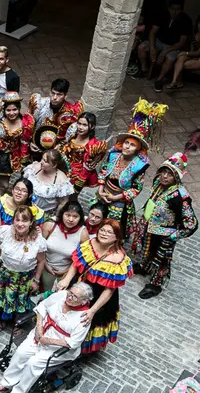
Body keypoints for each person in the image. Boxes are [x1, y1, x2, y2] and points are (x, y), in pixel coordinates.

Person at [0, 284, 94, 393]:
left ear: (84, 301)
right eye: (70, 292)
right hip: (39, 333)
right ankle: (5, 382)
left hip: (57, 346)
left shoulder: (84, 318)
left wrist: (47, 341)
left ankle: (18, 391)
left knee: (33, 363)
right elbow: (42, 306)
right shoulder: (61, 295)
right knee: (21, 353)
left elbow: (74, 342)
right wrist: (39, 327)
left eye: (74, 296)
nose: (69, 297)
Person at [56, 219, 133, 354]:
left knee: (86, 322)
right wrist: (67, 280)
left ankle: (76, 350)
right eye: (102, 230)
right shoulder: (90, 244)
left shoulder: (118, 259)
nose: (104, 233)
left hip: (97, 296)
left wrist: (92, 310)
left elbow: (109, 290)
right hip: (78, 286)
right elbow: (77, 263)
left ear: (117, 237)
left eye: (109, 232)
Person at [130, 152, 197, 299]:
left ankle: (156, 284)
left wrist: (173, 236)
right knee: (147, 249)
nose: (165, 176)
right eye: (163, 171)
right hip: (149, 227)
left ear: (177, 177)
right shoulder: (157, 182)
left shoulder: (181, 197)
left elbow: (191, 224)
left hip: (165, 235)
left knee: (161, 259)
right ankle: (144, 267)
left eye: (170, 174)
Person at [96, 99, 164, 231]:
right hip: (103, 193)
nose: (127, 147)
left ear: (137, 149)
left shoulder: (139, 166)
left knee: (113, 227)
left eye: (132, 145)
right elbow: (103, 171)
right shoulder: (113, 156)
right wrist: (100, 190)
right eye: (126, 143)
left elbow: (136, 188)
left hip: (119, 200)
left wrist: (116, 197)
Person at [0, 206, 47, 329]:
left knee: (20, 301)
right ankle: (2, 320)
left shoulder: (38, 241)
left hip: (24, 278)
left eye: (24, 220)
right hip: (5, 274)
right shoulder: (6, 232)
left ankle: (17, 324)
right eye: (17, 220)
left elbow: (41, 261)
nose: (20, 224)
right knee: (4, 297)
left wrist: (36, 280)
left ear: (31, 222)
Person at [133, 0, 193, 92]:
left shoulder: (186, 20)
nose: (174, 12)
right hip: (159, 41)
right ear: (169, 8)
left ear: (181, 10)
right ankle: (144, 70)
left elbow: (181, 42)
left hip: (173, 45)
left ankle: (159, 80)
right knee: (141, 47)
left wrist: (164, 52)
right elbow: (153, 32)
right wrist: (152, 48)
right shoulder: (162, 15)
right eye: (172, 9)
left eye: (177, 10)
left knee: (170, 59)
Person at [0, 92, 34, 192]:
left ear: (19, 109)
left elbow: (24, 142)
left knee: (15, 185)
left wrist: (23, 161)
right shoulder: (0, 119)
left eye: (14, 110)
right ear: (4, 110)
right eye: (8, 110)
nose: (11, 113)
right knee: (1, 185)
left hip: (16, 156)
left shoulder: (25, 122)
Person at [40, 201, 89, 292]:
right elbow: (39, 248)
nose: (71, 219)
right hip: (44, 268)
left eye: (75, 216)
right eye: (68, 215)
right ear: (62, 214)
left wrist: (66, 271)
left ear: (80, 218)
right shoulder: (50, 225)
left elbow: (81, 258)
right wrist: (46, 265)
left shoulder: (83, 233)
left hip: (66, 274)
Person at [28, 79, 83, 156]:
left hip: (56, 153)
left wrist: (62, 146)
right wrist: (29, 142)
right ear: (49, 92)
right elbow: (28, 124)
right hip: (35, 147)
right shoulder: (39, 104)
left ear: (65, 96)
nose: (54, 97)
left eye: (59, 95)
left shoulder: (71, 113)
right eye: (53, 93)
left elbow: (74, 136)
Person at [56, 112, 107, 192]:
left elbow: (88, 168)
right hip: (65, 168)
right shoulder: (74, 135)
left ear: (92, 127)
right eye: (79, 123)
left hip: (80, 175)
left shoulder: (93, 146)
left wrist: (79, 184)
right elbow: (66, 147)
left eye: (84, 125)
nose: (80, 127)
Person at [22, 150, 74, 220]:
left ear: (54, 165)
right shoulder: (34, 168)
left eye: (45, 161)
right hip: (26, 207)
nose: (41, 162)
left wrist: (56, 218)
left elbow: (63, 202)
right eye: (42, 159)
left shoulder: (61, 181)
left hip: (45, 215)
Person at [166, 16, 200, 89]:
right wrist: (189, 54)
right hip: (193, 54)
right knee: (181, 58)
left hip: (198, 57)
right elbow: (192, 45)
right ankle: (174, 82)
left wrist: (186, 53)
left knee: (181, 62)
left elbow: (198, 53)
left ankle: (178, 82)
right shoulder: (195, 32)